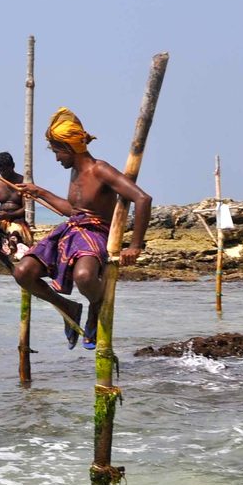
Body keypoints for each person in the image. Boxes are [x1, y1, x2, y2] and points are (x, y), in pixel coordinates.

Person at [13, 108, 151, 350]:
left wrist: (135, 245)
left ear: (69, 148)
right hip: (70, 230)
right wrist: (40, 192)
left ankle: (95, 306)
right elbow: (73, 210)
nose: (57, 158)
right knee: (23, 272)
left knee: (84, 277)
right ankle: (68, 307)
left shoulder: (100, 169)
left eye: (57, 152)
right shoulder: (75, 170)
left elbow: (142, 199)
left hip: (96, 233)